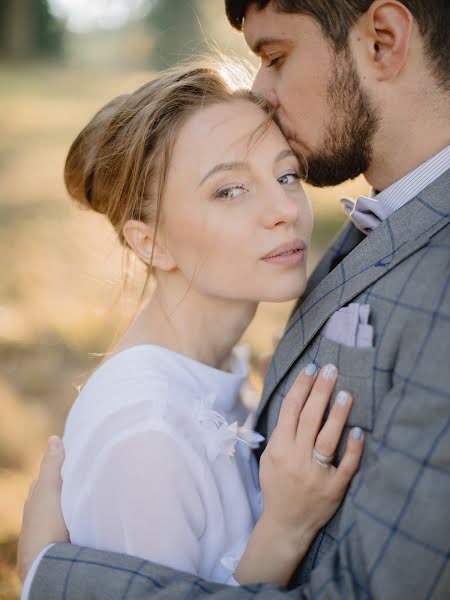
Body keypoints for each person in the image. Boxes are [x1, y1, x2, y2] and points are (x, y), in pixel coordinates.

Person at [18, 0, 450, 598]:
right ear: (148, 242)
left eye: (286, 176)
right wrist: (285, 527)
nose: (283, 211)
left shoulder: (220, 375)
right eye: (228, 191)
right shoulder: (146, 432)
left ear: (385, 39)